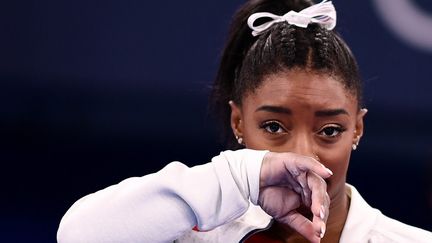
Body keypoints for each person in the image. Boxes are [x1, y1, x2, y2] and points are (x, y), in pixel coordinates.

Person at [57, 0, 432, 242]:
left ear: (358, 129)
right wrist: (235, 178)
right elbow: (77, 235)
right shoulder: (191, 232)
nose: (303, 155)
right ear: (238, 122)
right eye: (273, 127)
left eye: (329, 131)